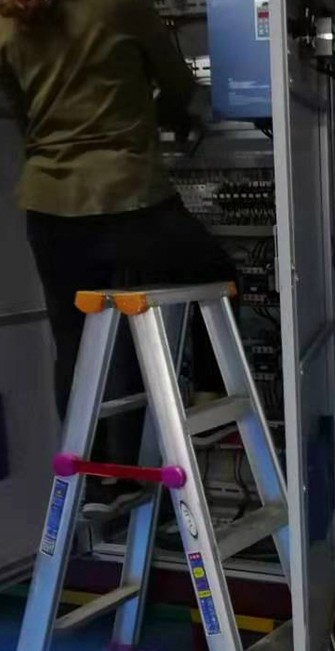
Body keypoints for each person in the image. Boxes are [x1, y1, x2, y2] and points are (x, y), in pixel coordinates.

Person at [0, 0, 236, 516]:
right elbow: (178, 85)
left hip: (49, 208)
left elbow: (19, 109)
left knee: (76, 341)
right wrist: (175, 116)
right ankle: (211, 403)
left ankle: (101, 481)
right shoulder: (120, 5)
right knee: (216, 273)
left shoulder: (8, 20)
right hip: (128, 196)